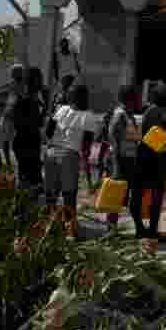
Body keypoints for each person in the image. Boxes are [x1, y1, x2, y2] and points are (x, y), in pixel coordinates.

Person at [43, 83, 100, 238]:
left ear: (70, 97)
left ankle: (48, 230)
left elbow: (48, 132)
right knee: (69, 196)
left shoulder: (61, 110)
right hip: (69, 155)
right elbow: (86, 146)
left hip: (51, 153)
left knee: (51, 195)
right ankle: (70, 232)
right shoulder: (89, 116)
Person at [131, 81, 166, 240]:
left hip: (145, 157)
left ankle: (142, 229)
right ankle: (149, 230)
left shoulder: (149, 111)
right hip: (155, 159)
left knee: (140, 194)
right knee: (154, 195)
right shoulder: (161, 113)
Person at [105, 85, 141, 232]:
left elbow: (133, 140)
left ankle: (137, 227)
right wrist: (116, 165)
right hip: (120, 161)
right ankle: (111, 229)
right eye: (136, 97)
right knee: (116, 196)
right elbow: (113, 140)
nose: (139, 100)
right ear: (129, 99)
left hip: (130, 160)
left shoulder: (129, 116)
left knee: (126, 196)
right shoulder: (119, 115)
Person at [11, 67, 45, 193]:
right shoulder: (23, 99)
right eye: (39, 78)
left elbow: (39, 123)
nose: (41, 81)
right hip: (25, 143)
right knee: (28, 182)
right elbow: (20, 122)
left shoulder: (36, 99)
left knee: (32, 183)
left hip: (31, 142)